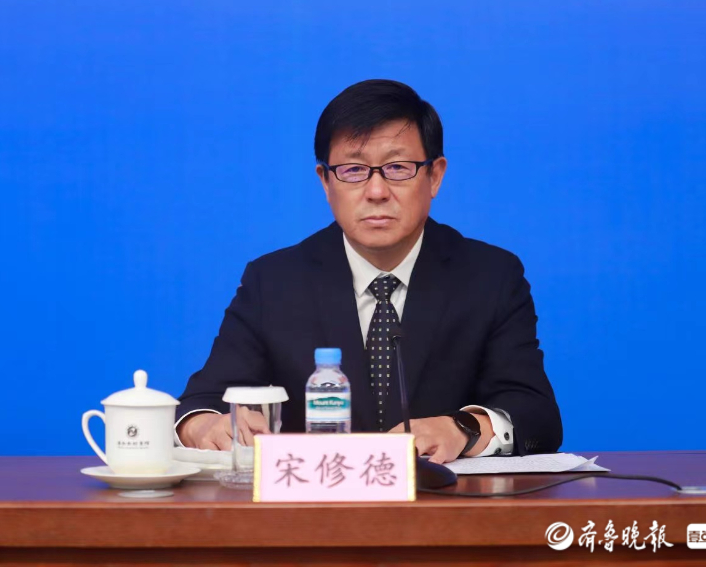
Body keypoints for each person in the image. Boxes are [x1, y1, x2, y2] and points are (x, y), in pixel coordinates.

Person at [176, 79, 562, 463]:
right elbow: (200, 403)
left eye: (397, 168)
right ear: (325, 181)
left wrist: (462, 428)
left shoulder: (489, 277)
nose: (376, 191)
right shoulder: (274, 282)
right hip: (314, 497)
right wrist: (206, 426)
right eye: (353, 170)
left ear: (435, 176)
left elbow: (536, 415)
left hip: (441, 498)